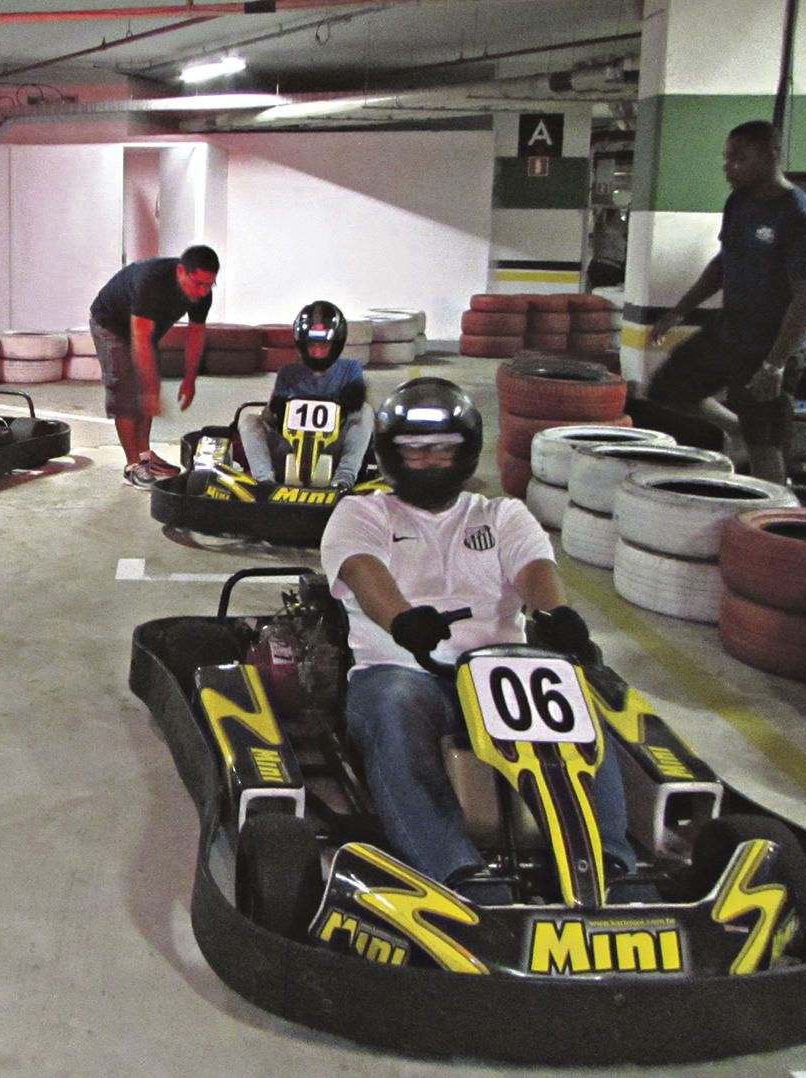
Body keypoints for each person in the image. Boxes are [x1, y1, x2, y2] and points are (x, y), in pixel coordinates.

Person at [318, 377, 641, 905]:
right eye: (414, 451)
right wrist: (402, 620)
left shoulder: (500, 514)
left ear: (464, 451)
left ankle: (609, 869)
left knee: (578, 707)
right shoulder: (363, 512)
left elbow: (535, 566)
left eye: (443, 449)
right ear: (390, 455)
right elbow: (361, 568)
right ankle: (456, 875)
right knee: (396, 707)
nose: (430, 462)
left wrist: (556, 614)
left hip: (502, 674)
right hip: (406, 669)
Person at [647, 120, 806, 483]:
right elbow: (723, 263)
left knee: (766, 445)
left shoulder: (799, 217)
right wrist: (679, 310)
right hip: (730, 332)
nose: (728, 167)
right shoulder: (739, 201)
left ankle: (768, 526)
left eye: (739, 158)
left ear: (771, 155)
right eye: (727, 158)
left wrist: (775, 365)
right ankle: (735, 427)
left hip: (772, 346)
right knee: (668, 389)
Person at [88, 244, 219, 488]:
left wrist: (190, 379)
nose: (202, 291)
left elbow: (196, 334)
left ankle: (145, 456)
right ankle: (132, 465)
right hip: (111, 323)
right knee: (126, 388)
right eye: (198, 283)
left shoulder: (203, 294)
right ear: (181, 271)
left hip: (146, 331)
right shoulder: (152, 281)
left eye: (208, 285)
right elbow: (139, 337)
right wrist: (150, 390)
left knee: (148, 384)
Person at [236, 300, 372, 490]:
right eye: (312, 345)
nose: (317, 352)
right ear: (302, 344)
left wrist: (352, 400)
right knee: (248, 419)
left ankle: (343, 481)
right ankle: (265, 482)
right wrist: (274, 408)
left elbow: (357, 412)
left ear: (336, 345)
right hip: (290, 450)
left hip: (331, 451)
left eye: (323, 345)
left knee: (365, 412)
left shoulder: (350, 370)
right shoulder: (288, 373)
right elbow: (269, 418)